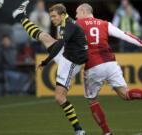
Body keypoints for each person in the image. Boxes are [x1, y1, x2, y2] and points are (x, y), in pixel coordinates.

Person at [76, 3, 142, 135]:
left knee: (92, 100)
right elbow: (124, 34)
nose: (76, 16)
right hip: (111, 63)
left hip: (93, 66)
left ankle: (107, 133)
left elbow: (67, 40)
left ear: (84, 11)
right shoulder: (104, 24)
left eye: (78, 13)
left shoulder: (78, 24)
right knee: (125, 94)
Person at [12, 1, 87, 135]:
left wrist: (45, 62)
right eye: (51, 16)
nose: (52, 19)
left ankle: (78, 129)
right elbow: (61, 44)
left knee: (59, 98)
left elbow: (59, 45)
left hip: (71, 63)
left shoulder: (68, 25)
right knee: (45, 36)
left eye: (54, 16)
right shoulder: (65, 20)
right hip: (67, 55)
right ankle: (20, 16)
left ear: (63, 15)